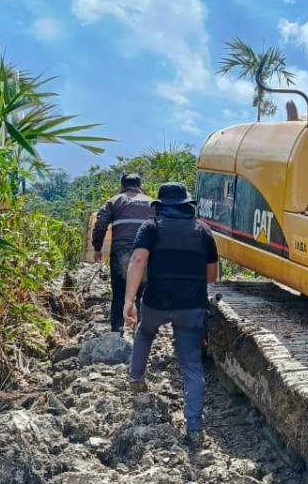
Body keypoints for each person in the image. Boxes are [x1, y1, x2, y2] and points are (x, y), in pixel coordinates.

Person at [123, 182, 218, 447]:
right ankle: (195, 427)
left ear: (160, 206)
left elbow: (138, 261)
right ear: (187, 206)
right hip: (191, 305)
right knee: (191, 365)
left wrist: (129, 300)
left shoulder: (151, 228)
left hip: (157, 301)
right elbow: (212, 277)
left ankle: (136, 379)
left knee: (144, 332)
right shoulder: (204, 231)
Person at [92, 173, 155, 332]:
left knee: (119, 293)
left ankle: (116, 330)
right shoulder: (151, 203)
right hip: (145, 253)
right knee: (142, 293)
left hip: (120, 252)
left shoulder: (114, 201)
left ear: (122, 185)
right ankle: (141, 332)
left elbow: (100, 224)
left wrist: (97, 248)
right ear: (140, 186)